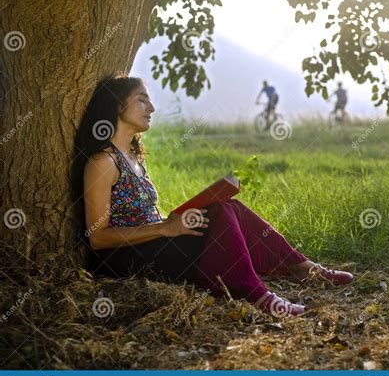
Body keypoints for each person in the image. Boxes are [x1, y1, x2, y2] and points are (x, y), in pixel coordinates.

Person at [71, 73, 353, 318]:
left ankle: (302, 267)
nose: (152, 108)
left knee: (229, 205)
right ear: (118, 104)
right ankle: (255, 294)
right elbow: (97, 237)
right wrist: (166, 228)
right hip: (125, 258)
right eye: (142, 100)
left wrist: (174, 223)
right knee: (221, 212)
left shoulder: (133, 157)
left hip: (155, 242)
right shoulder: (102, 162)